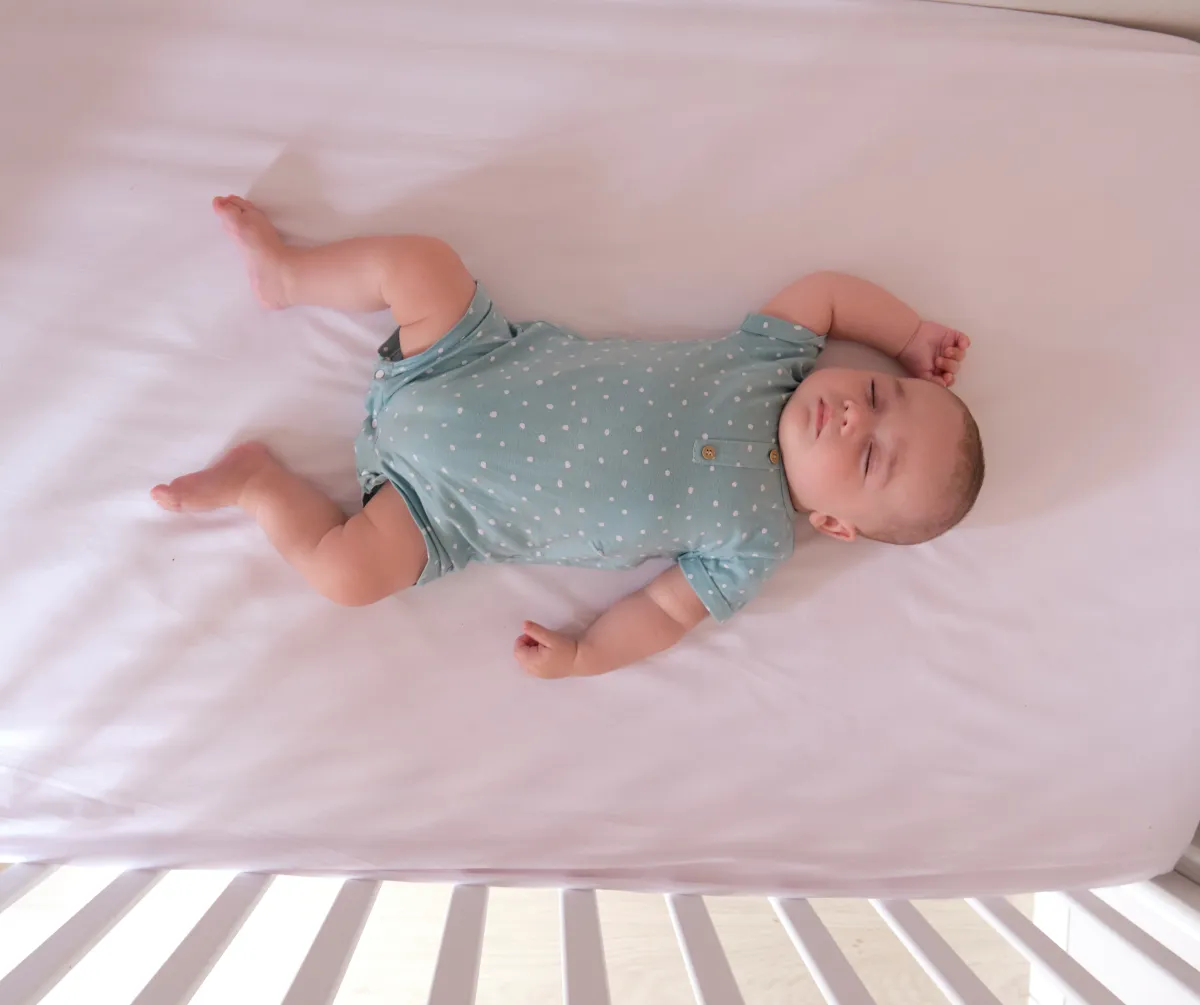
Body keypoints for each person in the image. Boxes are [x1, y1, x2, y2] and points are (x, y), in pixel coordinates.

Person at [153, 196, 983, 678]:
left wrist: (587, 654)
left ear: (836, 524)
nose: (853, 414)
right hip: (462, 361)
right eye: (874, 391)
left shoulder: (755, 540)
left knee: (347, 574)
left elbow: (662, 609)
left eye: (869, 453)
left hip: (439, 510)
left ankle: (257, 484)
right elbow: (828, 291)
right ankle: (290, 275)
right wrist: (907, 334)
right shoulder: (771, 361)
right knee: (423, 264)